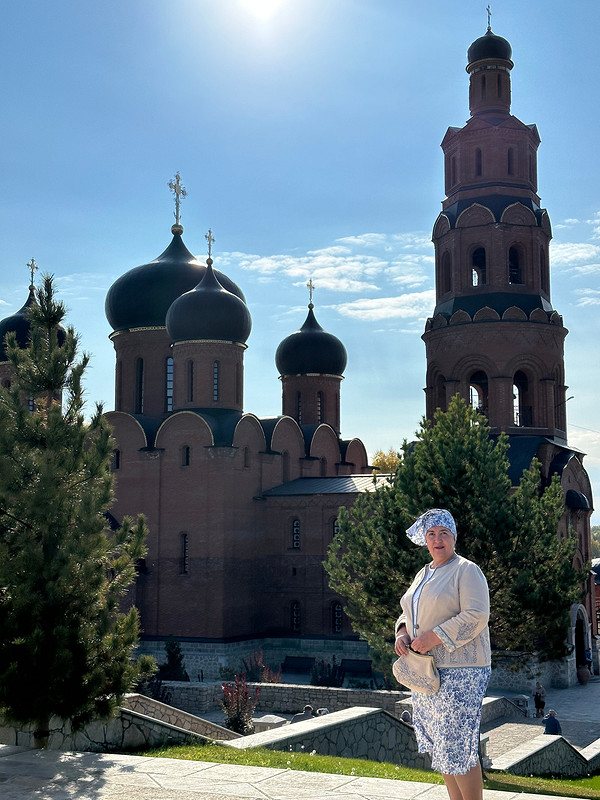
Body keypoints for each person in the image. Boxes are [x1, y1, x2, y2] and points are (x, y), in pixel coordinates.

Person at [395, 508, 491, 800]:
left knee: (458, 744)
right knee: (441, 743)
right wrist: (402, 632)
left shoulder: (466, 570)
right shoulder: (423, 573)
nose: (438, 540)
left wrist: (433, 637)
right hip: (428, 672)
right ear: (425, 540)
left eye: (444, 533)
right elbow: (407, 610)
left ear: (454, 537)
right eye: (432, 534)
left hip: (463, 671)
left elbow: (477, 614)